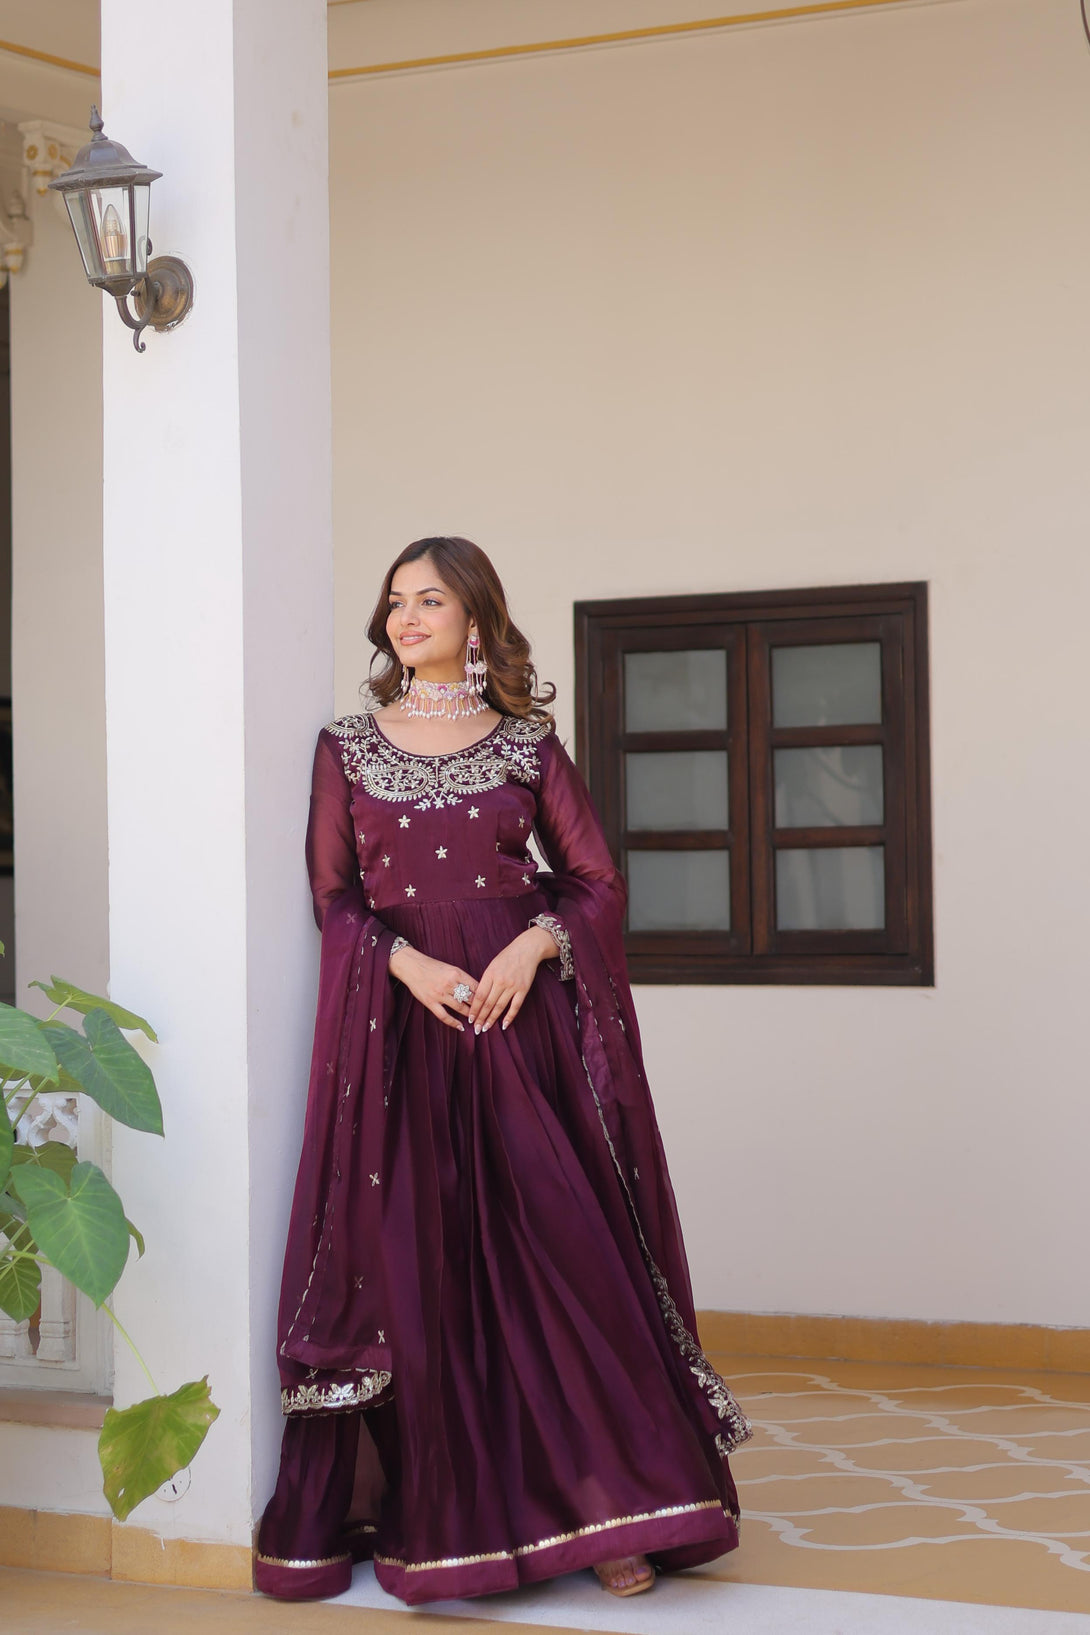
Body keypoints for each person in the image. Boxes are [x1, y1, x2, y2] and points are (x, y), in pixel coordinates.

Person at [255, 536, 750, 1607]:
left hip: (518, 1028)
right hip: (405, 1034)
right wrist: (405, 962)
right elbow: (334, 895)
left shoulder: (527, 743)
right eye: (395, 600)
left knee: (563, 1253)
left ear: (475, 621)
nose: (406, 616)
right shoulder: (346, 748)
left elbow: (595, 880)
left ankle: (615, 1509)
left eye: (429, 600)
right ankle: (462, 1519)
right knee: (430, 1272)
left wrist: (533, 945)